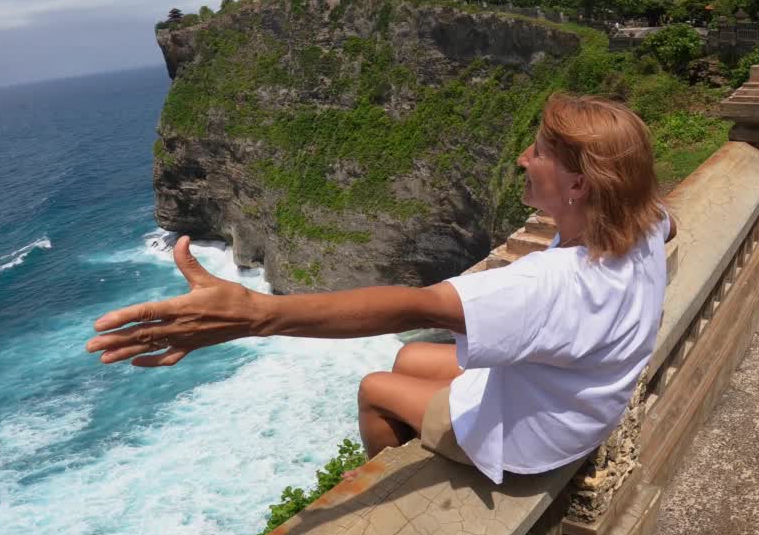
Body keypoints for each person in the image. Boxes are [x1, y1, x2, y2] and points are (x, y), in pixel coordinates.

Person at [86, 93, 676, 484]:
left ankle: (403, 478)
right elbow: (670, 218)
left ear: (577, 184)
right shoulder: (645, 223)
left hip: (539, 440)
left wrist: (256, 314)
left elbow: (409, 304)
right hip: (577, 398)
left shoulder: (550, 285)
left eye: (540, 152)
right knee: (410, 355)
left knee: (375, 386)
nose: (523, 158)